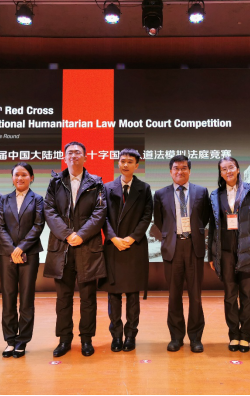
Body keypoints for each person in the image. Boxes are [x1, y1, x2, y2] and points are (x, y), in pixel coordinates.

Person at [44, 141, 107, 357]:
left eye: (77, 153)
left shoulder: (96, 183)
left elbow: (100, 212)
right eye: (69, 153)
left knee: (88, 298)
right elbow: (49, 211)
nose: (73, 156)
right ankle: (64, 339)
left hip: (87, 246)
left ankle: (87, 339)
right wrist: (68, 234)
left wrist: (81, 235)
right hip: (62, 247)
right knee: (63, 298)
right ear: (65, 158)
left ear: (85, 157)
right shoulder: (55, 183)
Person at [153, 155, 211, 353]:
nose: (180, 171)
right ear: (170, 172)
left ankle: (195, 338)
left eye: (184, 168)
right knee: (174, 295)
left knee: (195, 296)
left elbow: (205, 217)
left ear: (189, 170)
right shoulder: (160, 194)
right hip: (173, 247)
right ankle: (176, 337)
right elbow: (160, 221)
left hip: (194, 246)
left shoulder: (201, 192)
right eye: (176, 168)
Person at [208, 156, 250, 353]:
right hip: (225, 252)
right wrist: (212, 255)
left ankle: (245, 337)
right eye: (224, 169)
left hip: (248, 250)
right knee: (230, 296)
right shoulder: (216, 195)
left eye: (231, 167)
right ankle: (234, 335)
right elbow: (213, 227)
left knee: (247, 295)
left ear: (238, 169)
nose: (228, 171)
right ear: (220, 173)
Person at [101, 149, 153, 352]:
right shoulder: (107, 188)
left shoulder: (144, 188)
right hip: (113, 246)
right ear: (118, 163)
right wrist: (113, 238)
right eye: (122, 161)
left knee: (132, 295)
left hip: (134, 247)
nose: (125, 164)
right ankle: (116, 336)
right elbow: (102, 216)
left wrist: (131, 238)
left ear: (136, 165)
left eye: (130, 161)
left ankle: (131, 335)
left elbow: (146, 216)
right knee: (113, 295)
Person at [0, 162, 45, 359]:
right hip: (6, 255)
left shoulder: (38, 199)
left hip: (29, 253)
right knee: (8, 297)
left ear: (31, 178)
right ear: (12, 178)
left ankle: (22, 340)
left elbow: (38, 225)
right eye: (16, 175)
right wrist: (12, 250)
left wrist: (21, 248)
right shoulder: (4, 199)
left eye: (24, 175)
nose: (20, 178)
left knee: (26, 298)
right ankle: (10, 340)